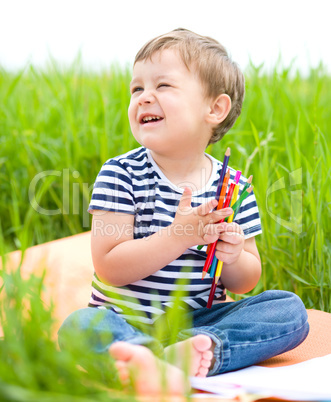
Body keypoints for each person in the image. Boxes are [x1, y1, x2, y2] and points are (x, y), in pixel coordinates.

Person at [58, 28, 309, 396]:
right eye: (137, 88)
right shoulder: (120, 173)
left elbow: (246, 281)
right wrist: (180, 235)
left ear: (215, 108)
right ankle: (146, 356)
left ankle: (198, 351)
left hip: (200, 321)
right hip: (124, 318)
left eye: (163, 86)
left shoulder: (233, 186)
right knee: (80, 325)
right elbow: (109, 267)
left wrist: (235, 255)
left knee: (288, 311)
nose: (144, 98)